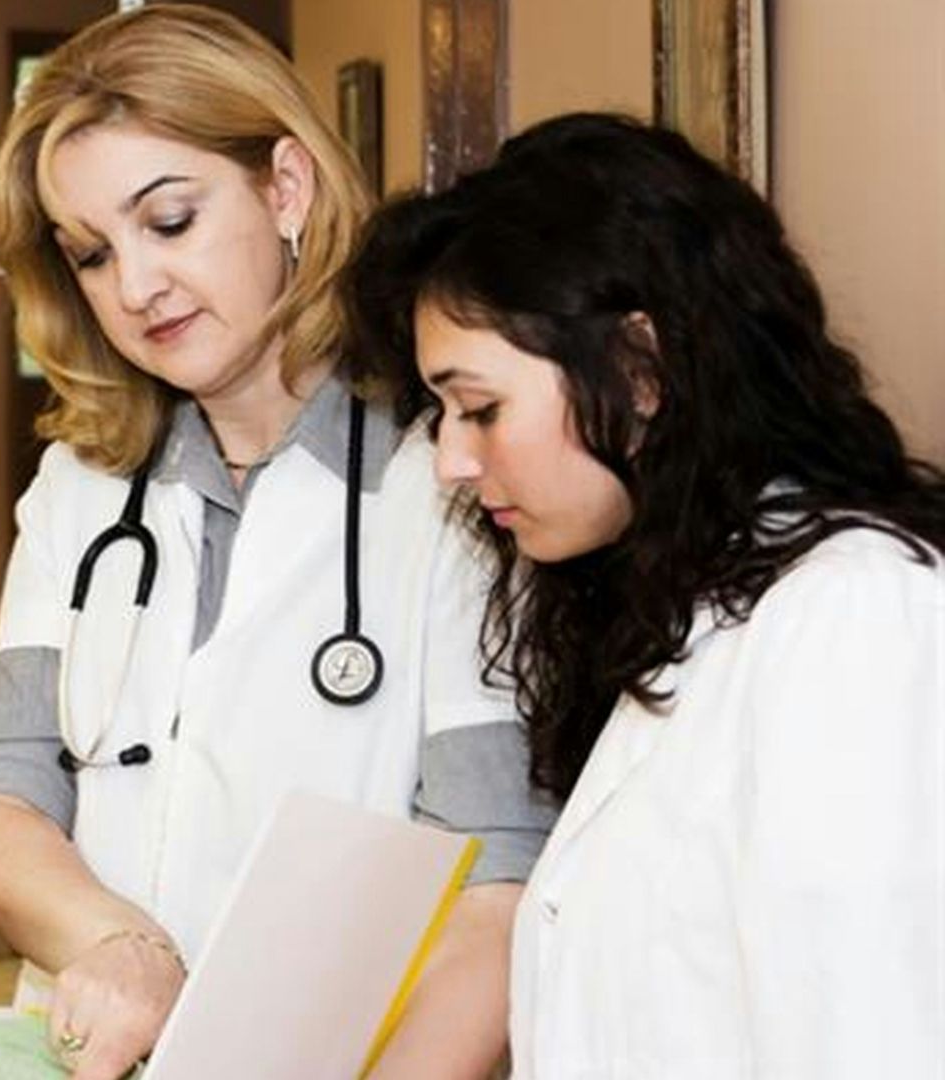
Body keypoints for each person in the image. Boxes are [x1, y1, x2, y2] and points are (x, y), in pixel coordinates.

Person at [0, 7, 556, 1078]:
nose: (135, 289)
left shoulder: (453, 473)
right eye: (91, 254)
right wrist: (115, 945)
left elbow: (497, 880)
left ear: (286, 188)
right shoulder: (84, 485)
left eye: (169, 220)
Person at [344, 112, 945, 1077]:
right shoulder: (669, 620)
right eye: (442, 415)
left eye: (482, 408)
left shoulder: (857, 618)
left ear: (639, 366)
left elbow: (873, 1041)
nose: (453, 462)